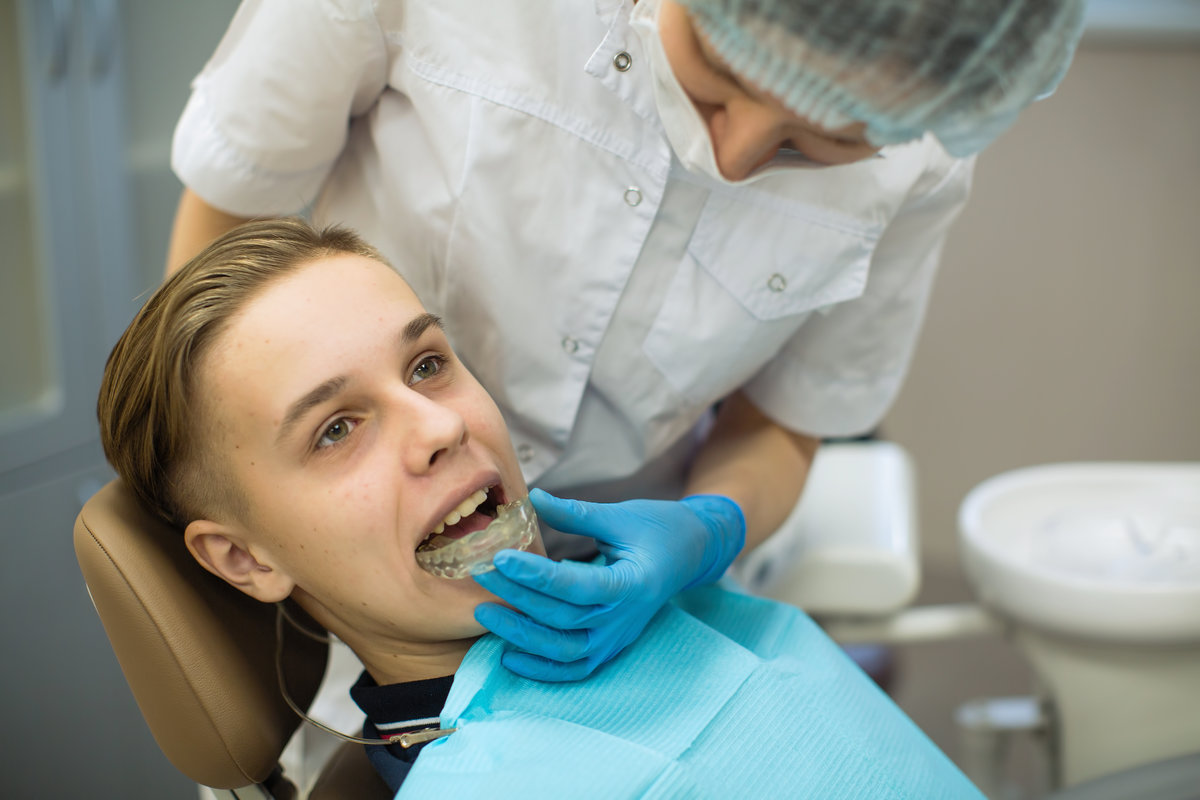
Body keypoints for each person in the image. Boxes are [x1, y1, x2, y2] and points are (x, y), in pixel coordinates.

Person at [164, 0, 1087, 680]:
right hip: (345, 603)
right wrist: (246, 506)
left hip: (641, 612)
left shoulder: (922, 148)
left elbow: (787, 422)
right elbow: (223, 240)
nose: (734, 160)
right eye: (715, 83)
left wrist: (701, 532)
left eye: (817, 144)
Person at [98, 218, 985, 797]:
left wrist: (712, 525)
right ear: (245, 559)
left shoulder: (659, 603)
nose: (440, 424)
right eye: (336, 430)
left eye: (427, 365)